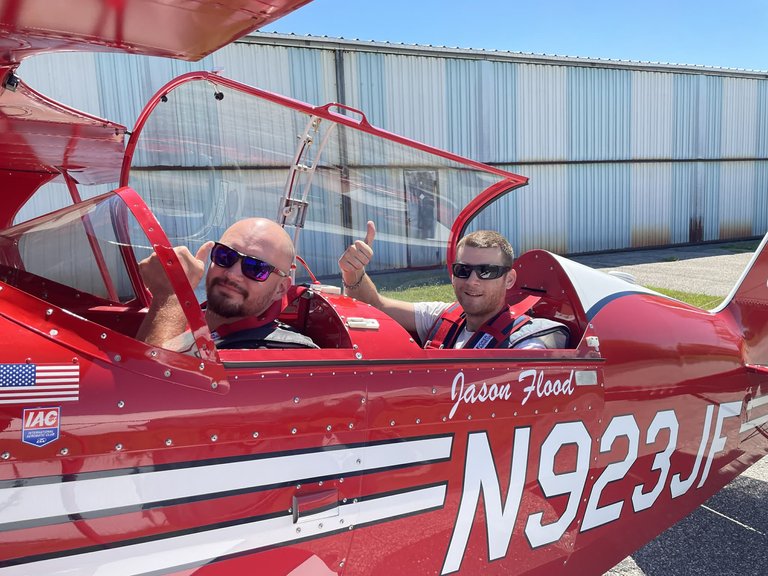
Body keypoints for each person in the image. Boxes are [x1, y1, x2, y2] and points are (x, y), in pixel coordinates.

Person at [338, 221, 568, 350]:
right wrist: (353, 271)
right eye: (463, 270)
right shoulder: (443, 316)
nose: (472, 281)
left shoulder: (524, 341)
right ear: (453, 275)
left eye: (487, 271)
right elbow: (374, 304)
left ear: (509, 279)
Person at [137, 217, 317, 351]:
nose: (232, 274)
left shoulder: (281, 356)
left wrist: (171, 295)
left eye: (256, 268)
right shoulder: (189, 316)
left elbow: (143, 393)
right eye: (225, 256)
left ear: (281, 288)